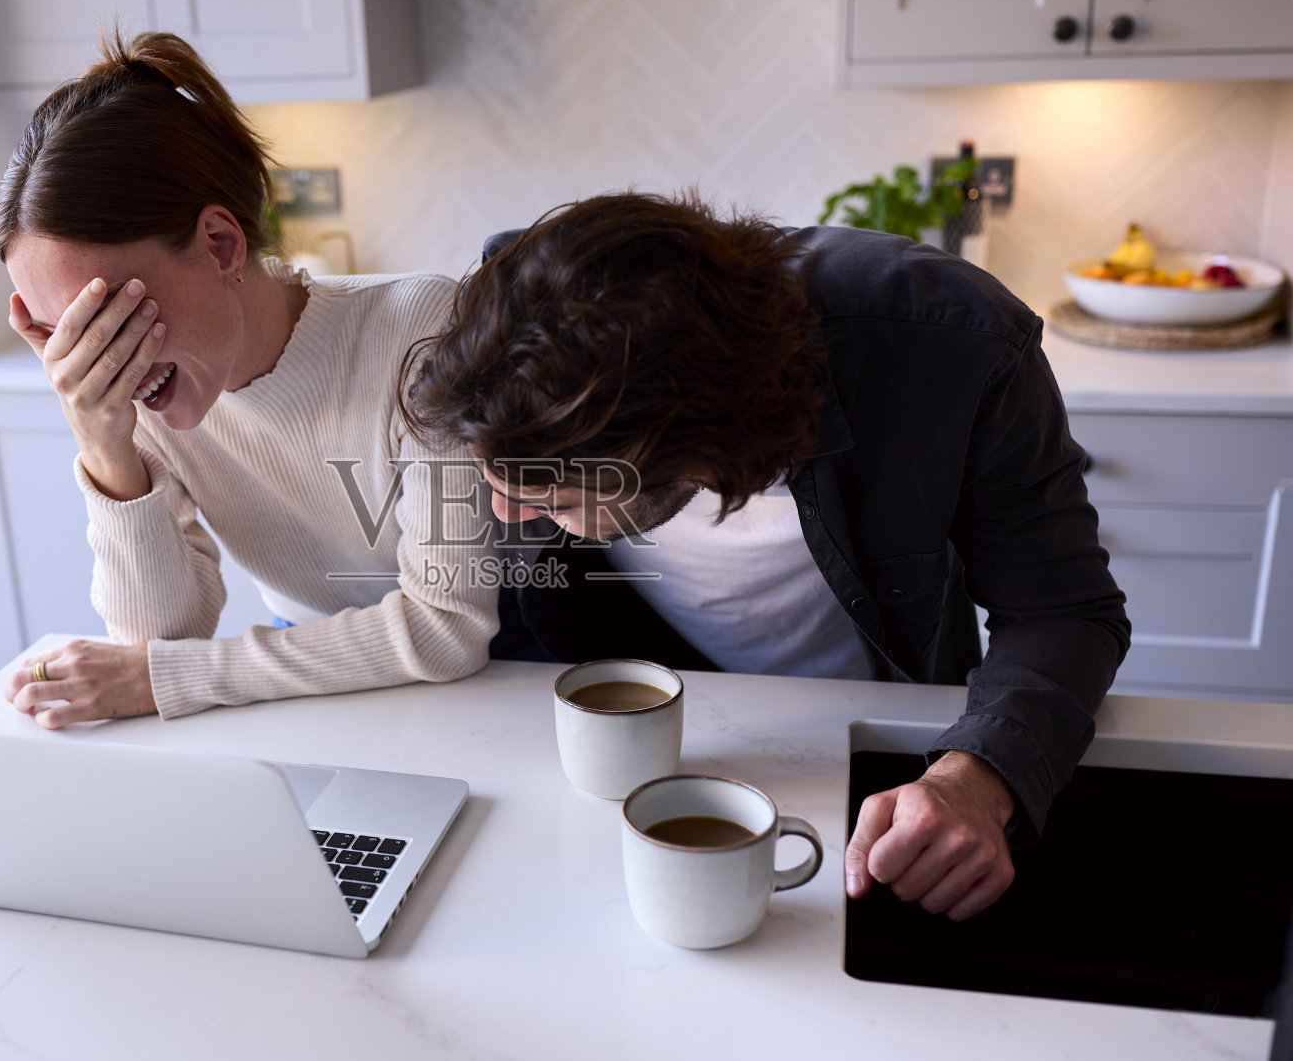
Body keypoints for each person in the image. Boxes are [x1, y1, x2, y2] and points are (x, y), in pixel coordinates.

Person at [402, 192, 1130, 921]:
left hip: (867, 753)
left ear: (692, 460)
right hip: (629, 748)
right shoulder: (509, 335)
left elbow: (1064, 610)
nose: (504, 516)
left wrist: (977, 778)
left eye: (554, 503)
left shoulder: (953, 341)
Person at [0, 30, 497, 728]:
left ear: (221, 244)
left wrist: (176, 677)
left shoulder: (418, 328)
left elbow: (446, 626)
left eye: (107, 319)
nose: (97, 366)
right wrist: (106, 451)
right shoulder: (142, 398)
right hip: (304, 692)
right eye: (62, 335)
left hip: (487, 696)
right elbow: (158, 646)